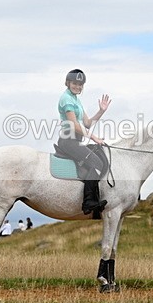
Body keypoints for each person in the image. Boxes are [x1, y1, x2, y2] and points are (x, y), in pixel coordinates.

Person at [57, 69, 111, 219]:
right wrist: (94, 138)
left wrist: (101, 111)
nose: (77, 87)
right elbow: (74, 125)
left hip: (77, 140)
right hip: (68, 141)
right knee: (97, 163)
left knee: (96, 160)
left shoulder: (75, 99)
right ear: (68, 83)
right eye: (75, 83)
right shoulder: (67, 99)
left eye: (80, 84)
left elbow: (87, 123)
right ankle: (88, 202)